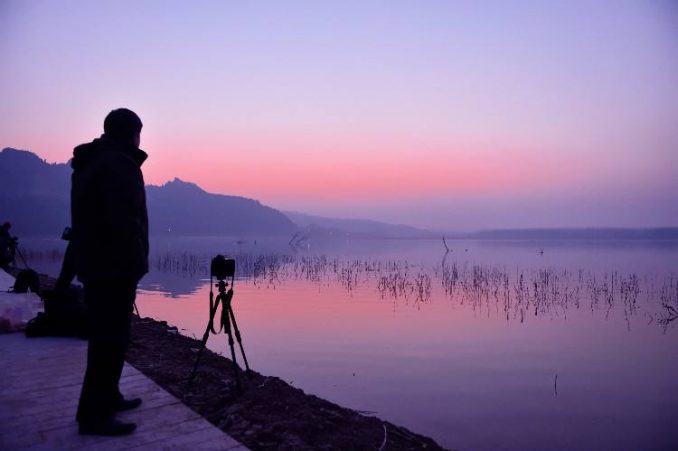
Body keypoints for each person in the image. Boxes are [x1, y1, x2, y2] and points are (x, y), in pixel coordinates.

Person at [71, 108, 149, 436]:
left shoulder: (92, 162)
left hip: (97, 265)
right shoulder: (117, 164)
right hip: (113, 269)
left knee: (110, 339)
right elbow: (124, 222)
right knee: (108, 341)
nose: (140, 139)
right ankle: (93, 415)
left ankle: (110, 396)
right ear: (130, 133)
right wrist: (134, 263)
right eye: (138, 133)